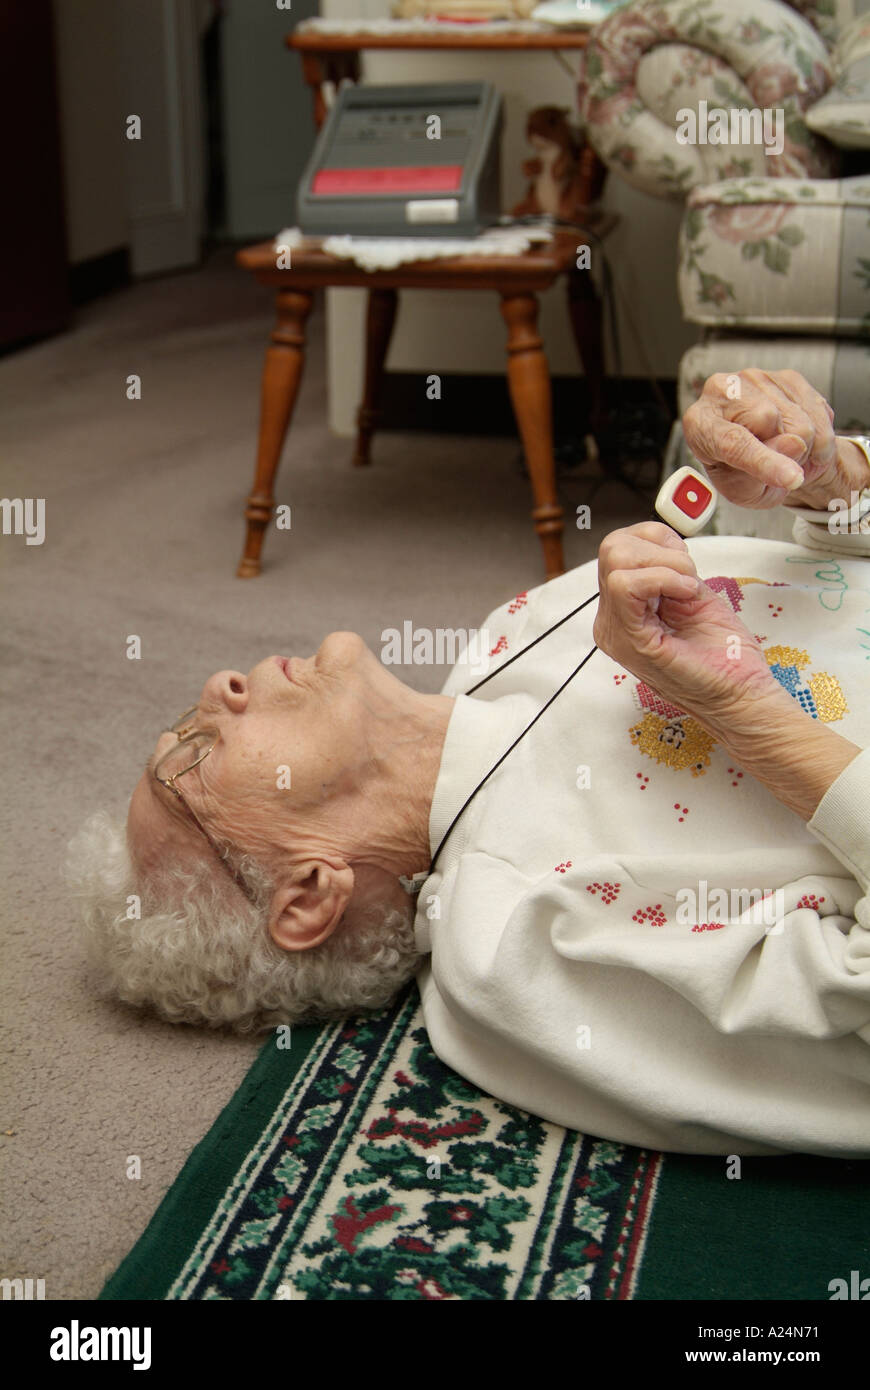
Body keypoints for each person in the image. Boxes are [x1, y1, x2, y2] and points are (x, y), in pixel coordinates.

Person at [70, 368, 870, 1156]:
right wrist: (751, 716)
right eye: (195, 759)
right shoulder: (509, 951)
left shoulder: (503, 639)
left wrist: (831, 482)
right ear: (308, 892)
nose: (218, 685)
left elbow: (830, 571)